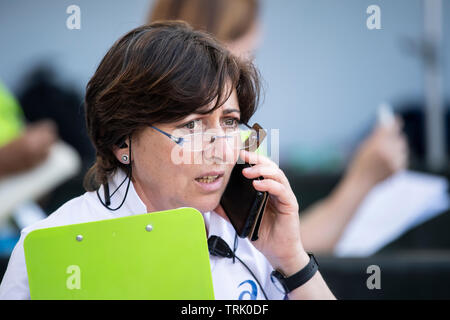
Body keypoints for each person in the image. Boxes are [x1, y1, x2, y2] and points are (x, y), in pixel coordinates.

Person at [0, 21, 335, 300]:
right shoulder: (48, 247)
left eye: (230, 122)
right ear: (122, 141)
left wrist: (291, 258)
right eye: (191, 125)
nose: (219, 148)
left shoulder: (249, 236)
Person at [148, 0, 409, 253]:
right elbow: (271, 256)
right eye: (246, 55)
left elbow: (269, 242)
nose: (247, 74)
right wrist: (361, 181)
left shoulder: (248, 136)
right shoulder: (245, 139)